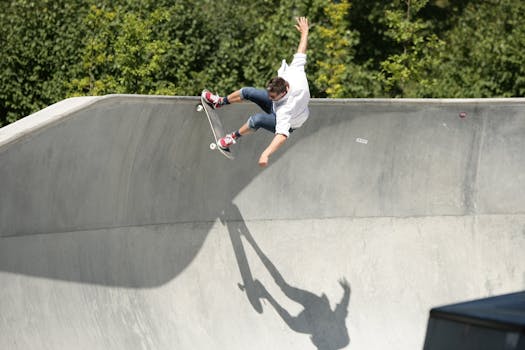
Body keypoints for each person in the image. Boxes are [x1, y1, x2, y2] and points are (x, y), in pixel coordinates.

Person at [201, 17, 310, 168]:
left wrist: (266, 153)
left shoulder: (286, 109)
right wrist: (305, 32)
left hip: (291, 121)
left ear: (283, 93)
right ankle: (219, 102)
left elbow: (282, 136)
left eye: (272, 97)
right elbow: (301, 52)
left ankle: (231, 138)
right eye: (269, 94)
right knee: (248, 91)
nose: (269, 98)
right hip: (283, 105)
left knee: (256, 120)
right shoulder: (294, 73)